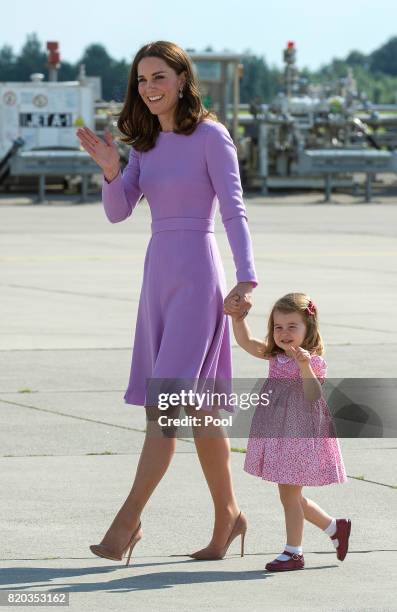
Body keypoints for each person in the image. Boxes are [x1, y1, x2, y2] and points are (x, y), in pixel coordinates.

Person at [76, 40, 257, 565]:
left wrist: (246, 279)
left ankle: (126, 523)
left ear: (182, 78)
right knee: (199, 411)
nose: (149, 88)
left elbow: (234, 210)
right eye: (141, 80)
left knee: (166, 406)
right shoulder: (145, 144)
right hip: (158, 280)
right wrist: (112, 169)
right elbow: (118, 212)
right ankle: (230, 515)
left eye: (159, 77)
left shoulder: (211, 135)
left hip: (199, 279)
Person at [228, 292, 351, 572]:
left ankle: (294, 552)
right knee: (290, 494)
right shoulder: (275, 355)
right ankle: (335, 527)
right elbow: (246, 342)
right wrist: (238, 319)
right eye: (278, 327)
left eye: (292, 327)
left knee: (288, 494)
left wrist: (304, 366)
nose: (283, 333)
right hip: (278, 430)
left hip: (299, 431)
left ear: (308, 329)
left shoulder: (313, 361)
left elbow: (312, 394)